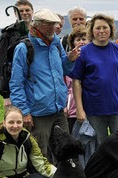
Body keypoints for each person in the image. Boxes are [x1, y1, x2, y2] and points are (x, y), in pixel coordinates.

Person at [9, 8, 79, 158]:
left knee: (65, 149)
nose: (53, 28)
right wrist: (24, 112)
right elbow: (16, 83)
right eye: (48, 24)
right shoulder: (24, 48)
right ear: (37, 26)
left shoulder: (56, 44)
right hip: (38, 112)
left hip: (58, 108)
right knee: (40, 153)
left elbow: (63, 71)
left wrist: (70, 59)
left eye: (54, 24)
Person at [69, 13, 118, 144]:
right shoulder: (84, 52)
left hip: (117, 106)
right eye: (98, 28)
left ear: (110, 29)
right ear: (92, 31)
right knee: (99, 143)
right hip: (93, 108)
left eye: (105, 27)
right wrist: (80, 109)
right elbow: (76, 82)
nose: (101, 31)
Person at [0, 0, 33, 107]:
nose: (25, 13)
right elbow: (2, 64)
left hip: (35, 86)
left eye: (27, 10)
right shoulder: (8, 34)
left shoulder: (39, 32)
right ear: (15, 14)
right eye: (21, 11)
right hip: (16, 86)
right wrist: (6, 95)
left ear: (32, 12)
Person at [65, 26, 89, 133]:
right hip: (72, 109)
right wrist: (65, 106)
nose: (81, 42)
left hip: (90, 106)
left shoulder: (92, 59)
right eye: (78, 40)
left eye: (84, 39)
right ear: (73, 42)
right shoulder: (68, 60)